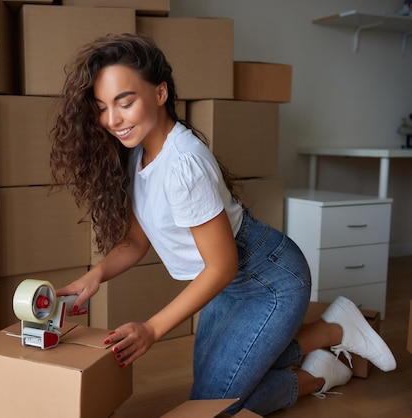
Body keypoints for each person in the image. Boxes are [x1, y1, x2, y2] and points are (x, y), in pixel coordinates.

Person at [49, 33, 396, 416]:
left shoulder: (183, 163)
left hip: (270, 281)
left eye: (125, 102)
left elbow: (223, 265)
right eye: (102, 107)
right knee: (213, 394)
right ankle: (330, 331)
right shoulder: (140, 153)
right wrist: (95, 275)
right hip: (224, 286)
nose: (112, 120)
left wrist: (151, 329)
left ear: (160, 93)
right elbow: (136, 239)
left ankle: (322, 372)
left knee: (214, 407)